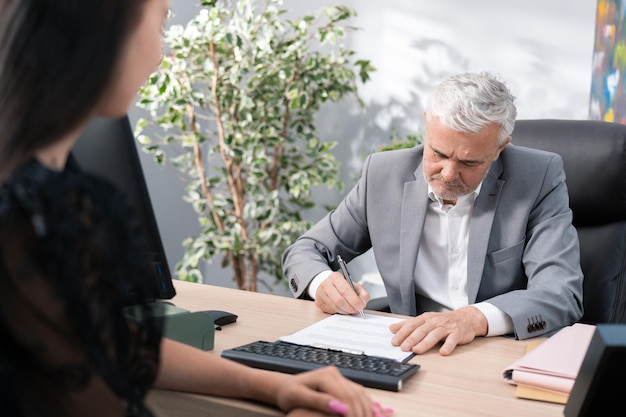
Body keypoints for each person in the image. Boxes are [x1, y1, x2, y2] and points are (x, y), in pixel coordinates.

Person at [0, 1, 394, 416]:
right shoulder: (32, 204)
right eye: (161, 23)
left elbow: (109, 344)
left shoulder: (42, 182)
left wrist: (274, 387)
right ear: (105, 31)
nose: (160, 54)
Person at [282, 71, 584, 357]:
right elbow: (306, 250)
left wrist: (475, 318)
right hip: (411, 348)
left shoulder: (538, 178)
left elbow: (560, 293)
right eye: (438, 154)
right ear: (427, 125)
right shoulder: (384, 175)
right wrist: (321, 283)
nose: (448, 174)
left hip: (495, 350)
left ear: (499, 148)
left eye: (469, 163)